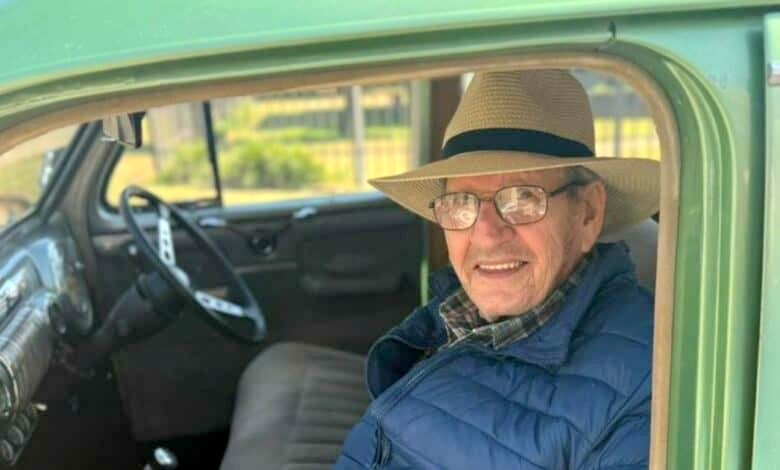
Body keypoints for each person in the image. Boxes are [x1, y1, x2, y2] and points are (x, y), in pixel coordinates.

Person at [334, 69, 659, 469]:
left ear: (588, 213)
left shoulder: (646, 389)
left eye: (522, 199)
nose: (486, 235)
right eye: (461, 202)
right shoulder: (462, 312)